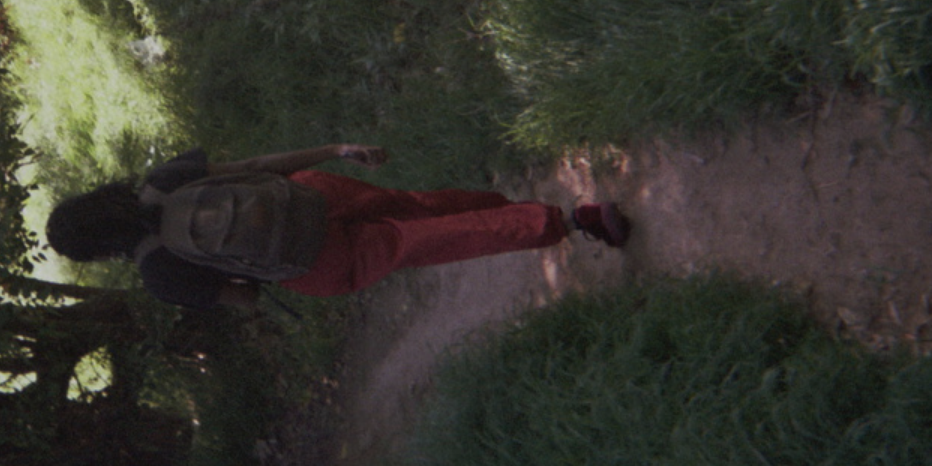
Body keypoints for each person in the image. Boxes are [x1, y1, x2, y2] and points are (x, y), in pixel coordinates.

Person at [45, 144, 630, 310]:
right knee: (419, 207)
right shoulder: (163, 178)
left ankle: (573, 221)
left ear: (99, 251)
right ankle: (515, 206)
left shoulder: (158, 275)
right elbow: (257, 165)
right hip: (312, 194)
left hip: (314, 262)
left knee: (428, 242)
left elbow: (242, 298)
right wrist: (334, 149)